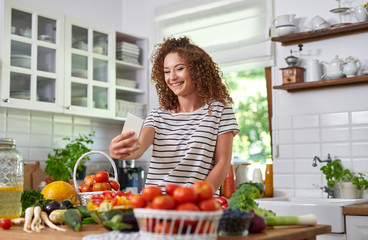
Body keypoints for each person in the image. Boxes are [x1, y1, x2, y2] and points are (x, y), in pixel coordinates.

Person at [109, 36, 239, 192]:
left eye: (179, 68)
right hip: (156, 203)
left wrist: (199, 197)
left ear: (196, 70)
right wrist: (118, 150)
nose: (172, 77)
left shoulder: (220, 110)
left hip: (196, 204)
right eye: (166, 71)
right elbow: (136, 150)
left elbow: (222, 163)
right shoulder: (157, 116)